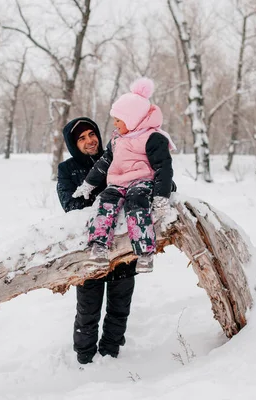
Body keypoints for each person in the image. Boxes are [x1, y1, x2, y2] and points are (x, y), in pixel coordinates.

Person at [72, 78, 175, 274]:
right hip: (117, 182)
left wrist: (162, 196)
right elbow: (104, 162)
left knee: (136, 201)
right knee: (106, 201)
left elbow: (164, 167)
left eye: (119, 119)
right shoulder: (117, 139)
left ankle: (145, 252)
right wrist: (88, 184)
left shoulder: (152, 138)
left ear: (133, 119)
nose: (115, 123)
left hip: (142, 180)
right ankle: (99, 246)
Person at [57, 117, 137, 365]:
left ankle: (111, 352)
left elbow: (139, 178)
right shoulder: (67, 169)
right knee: (87, 309)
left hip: (123, 246)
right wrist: (111, 197)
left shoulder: (116, 156)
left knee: (120, 306)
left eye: (91, 134)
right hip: (90, 250)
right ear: (73, 144)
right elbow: (72, 205)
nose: (89, 140)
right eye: (81, 138)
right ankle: (84, 358)